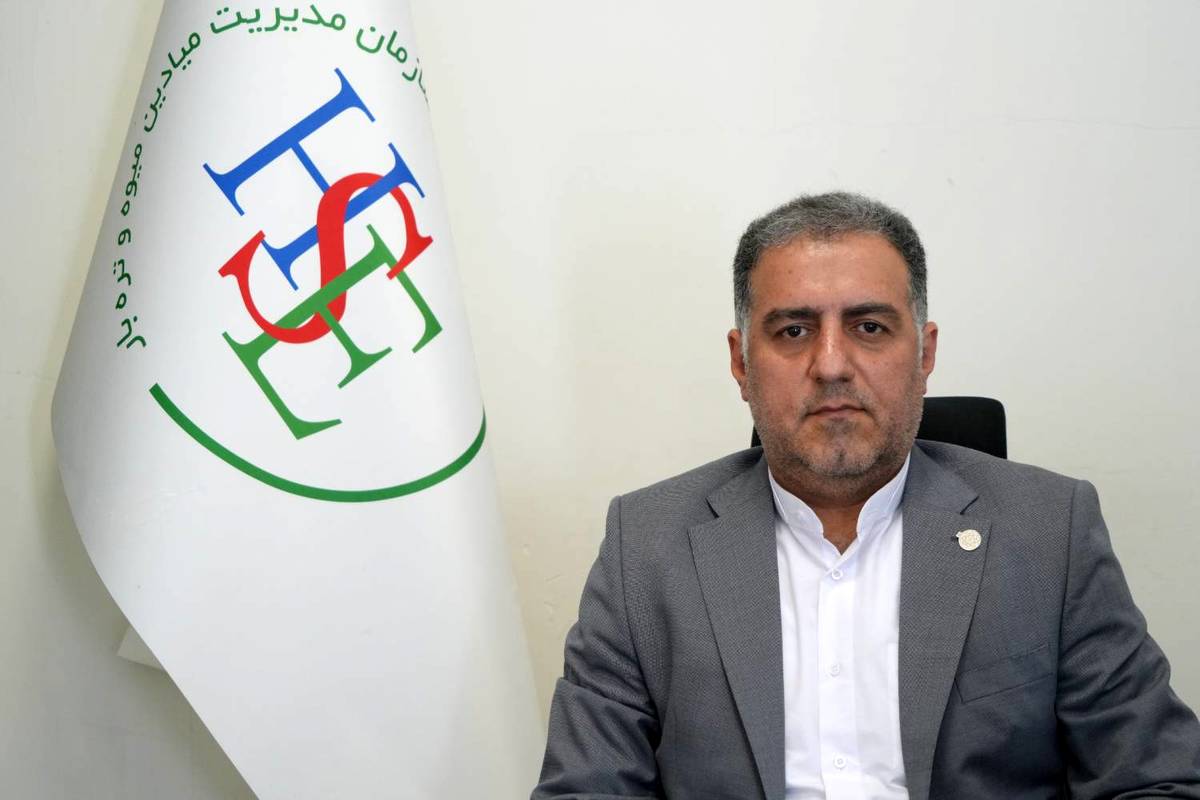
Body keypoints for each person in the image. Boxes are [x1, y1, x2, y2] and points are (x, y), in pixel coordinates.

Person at [531, 192, 1200, 800]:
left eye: (869, 327)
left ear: (925, 354)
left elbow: (1158, 781)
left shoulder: (1049, 531)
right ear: (740, 363)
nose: (830, 365)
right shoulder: (648, 545)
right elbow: (585, 791)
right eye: (793, 331)